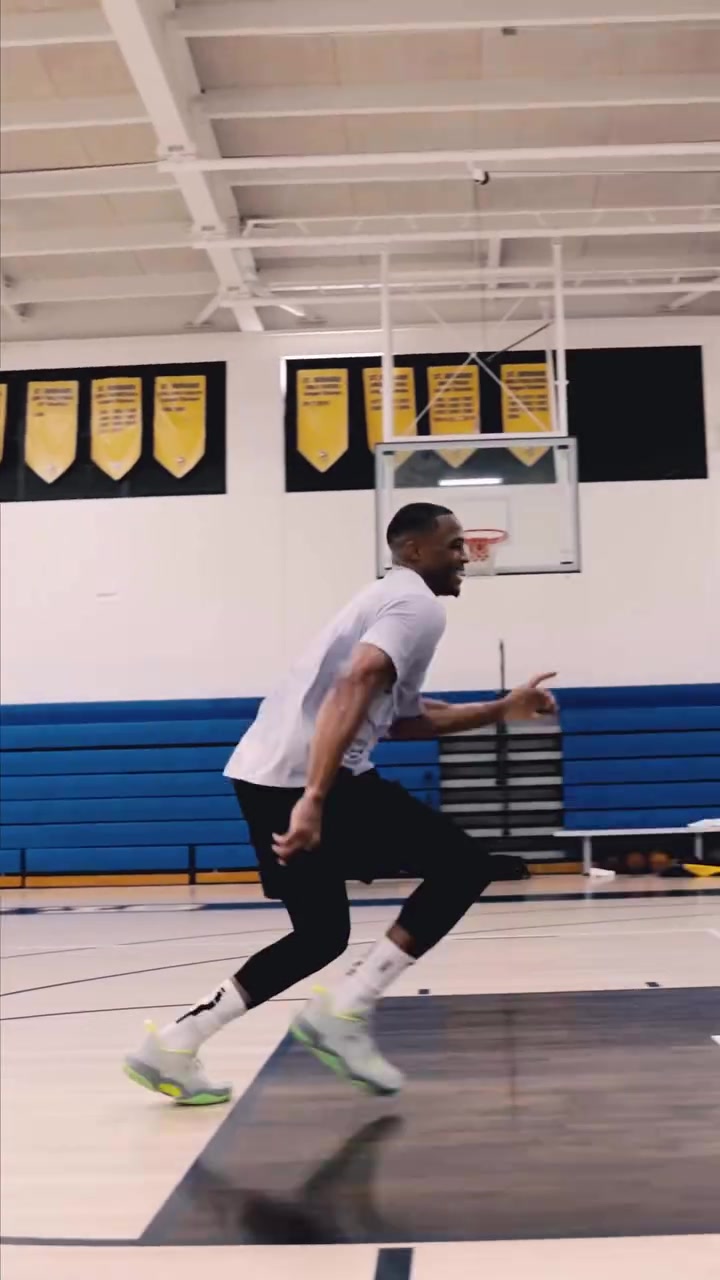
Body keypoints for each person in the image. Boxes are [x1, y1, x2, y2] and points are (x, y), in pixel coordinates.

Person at [124, 503, 556, 1105]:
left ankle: (174, 1043)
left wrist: (500, 709)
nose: (465, 555)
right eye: (454, 544)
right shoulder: (416, 605)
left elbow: (403, 720)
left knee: (321, 934)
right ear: (413, 551)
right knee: (463, 866)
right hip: (308, 778)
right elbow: (356, 683)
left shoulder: (384, 600)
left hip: (262, 774)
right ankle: (345, 1010)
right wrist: (315, 798)